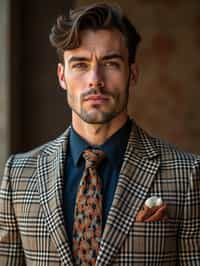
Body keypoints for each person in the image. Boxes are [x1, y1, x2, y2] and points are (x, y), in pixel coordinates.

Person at [0, 2, 199, 266]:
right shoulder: (18, 175)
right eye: (80, 65)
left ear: (133, 73)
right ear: (62, 76)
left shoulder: (187, 175)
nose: (95, 78)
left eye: (111, 63)